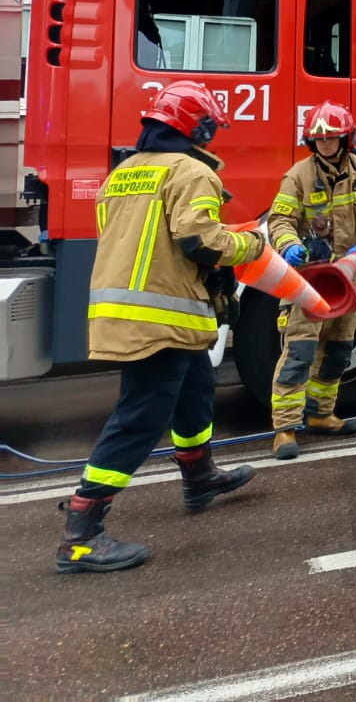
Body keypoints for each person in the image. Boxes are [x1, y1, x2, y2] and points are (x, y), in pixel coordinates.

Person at [55, 81, 264, 573]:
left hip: (134, 310)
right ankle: (81, 533)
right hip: (160, 315)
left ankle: (199, 476)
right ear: (199, 128)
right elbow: (201, 242)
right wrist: (255, 245)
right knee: (141, 418)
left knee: (196, 389)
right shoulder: (191, 172)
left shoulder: (122, 173)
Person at [265, 101, 356, 461]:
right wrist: (289, 245)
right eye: (318, 139)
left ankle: (321, 415)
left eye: (331, 138)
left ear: (346, 139)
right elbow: (280, 219)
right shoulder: (298, 176)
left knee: (339, 349)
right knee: (299, 352)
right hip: (308, 281)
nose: (324, 144)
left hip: (347, 279)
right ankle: (285, 428)